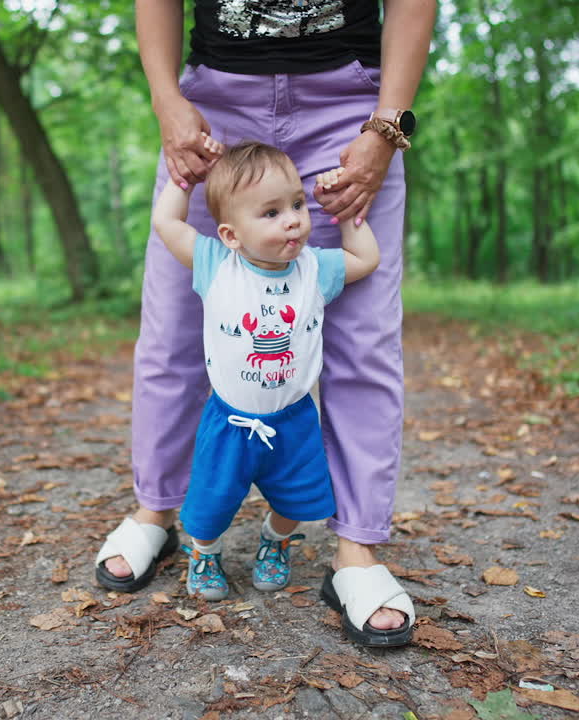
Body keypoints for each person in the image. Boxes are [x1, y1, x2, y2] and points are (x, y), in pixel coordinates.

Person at [95, 0, 435, 647]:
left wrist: (386, 125)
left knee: (364, 342)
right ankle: (155, 511)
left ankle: (358, 550)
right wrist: (168, 102)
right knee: (171, 330)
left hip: (352, 107)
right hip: (215, 105)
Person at [151, 138, 378, 601]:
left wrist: (348, 210)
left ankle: (275, 542)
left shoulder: (315, 269)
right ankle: (205, 552)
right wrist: (186, 179)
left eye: (296, 204)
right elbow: (165, 222)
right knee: (210, 506)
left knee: (297, 500)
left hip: (293, 419)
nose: (293, 218)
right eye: (271, 213)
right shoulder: (217, 264)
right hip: (230, 420)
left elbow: (366, 259)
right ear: (232, 235)